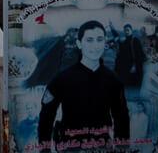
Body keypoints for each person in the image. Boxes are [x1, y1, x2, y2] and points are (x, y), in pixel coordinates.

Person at [37, 20, 129, 151]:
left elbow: (121, 118)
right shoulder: (62, 79)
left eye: (99, 39)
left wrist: (122, 148)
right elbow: (46, 116)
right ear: (79, 44)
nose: (95, 45)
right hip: (70, 146)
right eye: (89, 40)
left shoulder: (113, 80)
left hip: (101, 147)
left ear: (105, 42)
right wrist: (44, 149)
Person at [114, 23, 147, 90]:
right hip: (127, 67)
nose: (126, 32)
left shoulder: (135, 40)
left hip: (135, 67)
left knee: (135, 86)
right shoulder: (124, 41)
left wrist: (135, 65)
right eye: (125, 30)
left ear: (131, 30)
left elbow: (139, 54)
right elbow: (122, 53)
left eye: (128, 30)